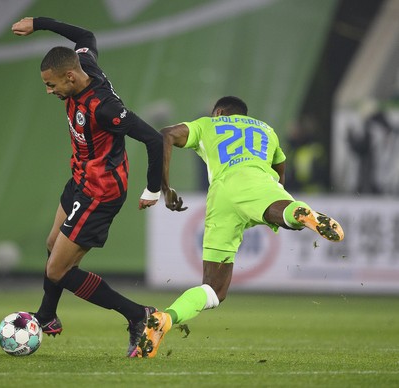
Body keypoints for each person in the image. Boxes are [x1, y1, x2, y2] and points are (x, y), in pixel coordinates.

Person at [136, 96, 344, 358]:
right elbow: (280, 164)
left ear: (219, 112)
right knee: (286, 214)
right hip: (255, 182)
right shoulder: (267, 130)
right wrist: (276, 190)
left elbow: (165, 135)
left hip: (220, 196)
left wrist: (163, 188)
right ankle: (297, 212)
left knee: (214, 289)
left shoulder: (208, 125)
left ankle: (165, 319)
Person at [11, 17, 163, 357]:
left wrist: (153, 189)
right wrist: (38, 23)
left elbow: (153, 139)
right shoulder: (85, 62)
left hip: (100, 190)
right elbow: (86, 34)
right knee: (53, 245)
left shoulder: (105, 108)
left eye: (51, 85)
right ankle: (47, 315)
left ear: (69, 76)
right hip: (80, 178)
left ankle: (141, 316)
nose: (49, 91)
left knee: (58, 269)